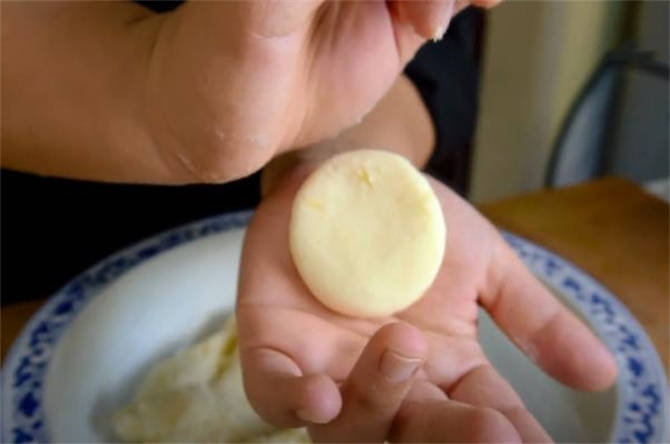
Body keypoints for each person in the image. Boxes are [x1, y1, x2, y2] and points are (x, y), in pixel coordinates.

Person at [1, 1, 617, 442]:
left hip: (286, 230)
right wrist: (149, 93)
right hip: (42, 247)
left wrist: (328, 148)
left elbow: (429, 47)